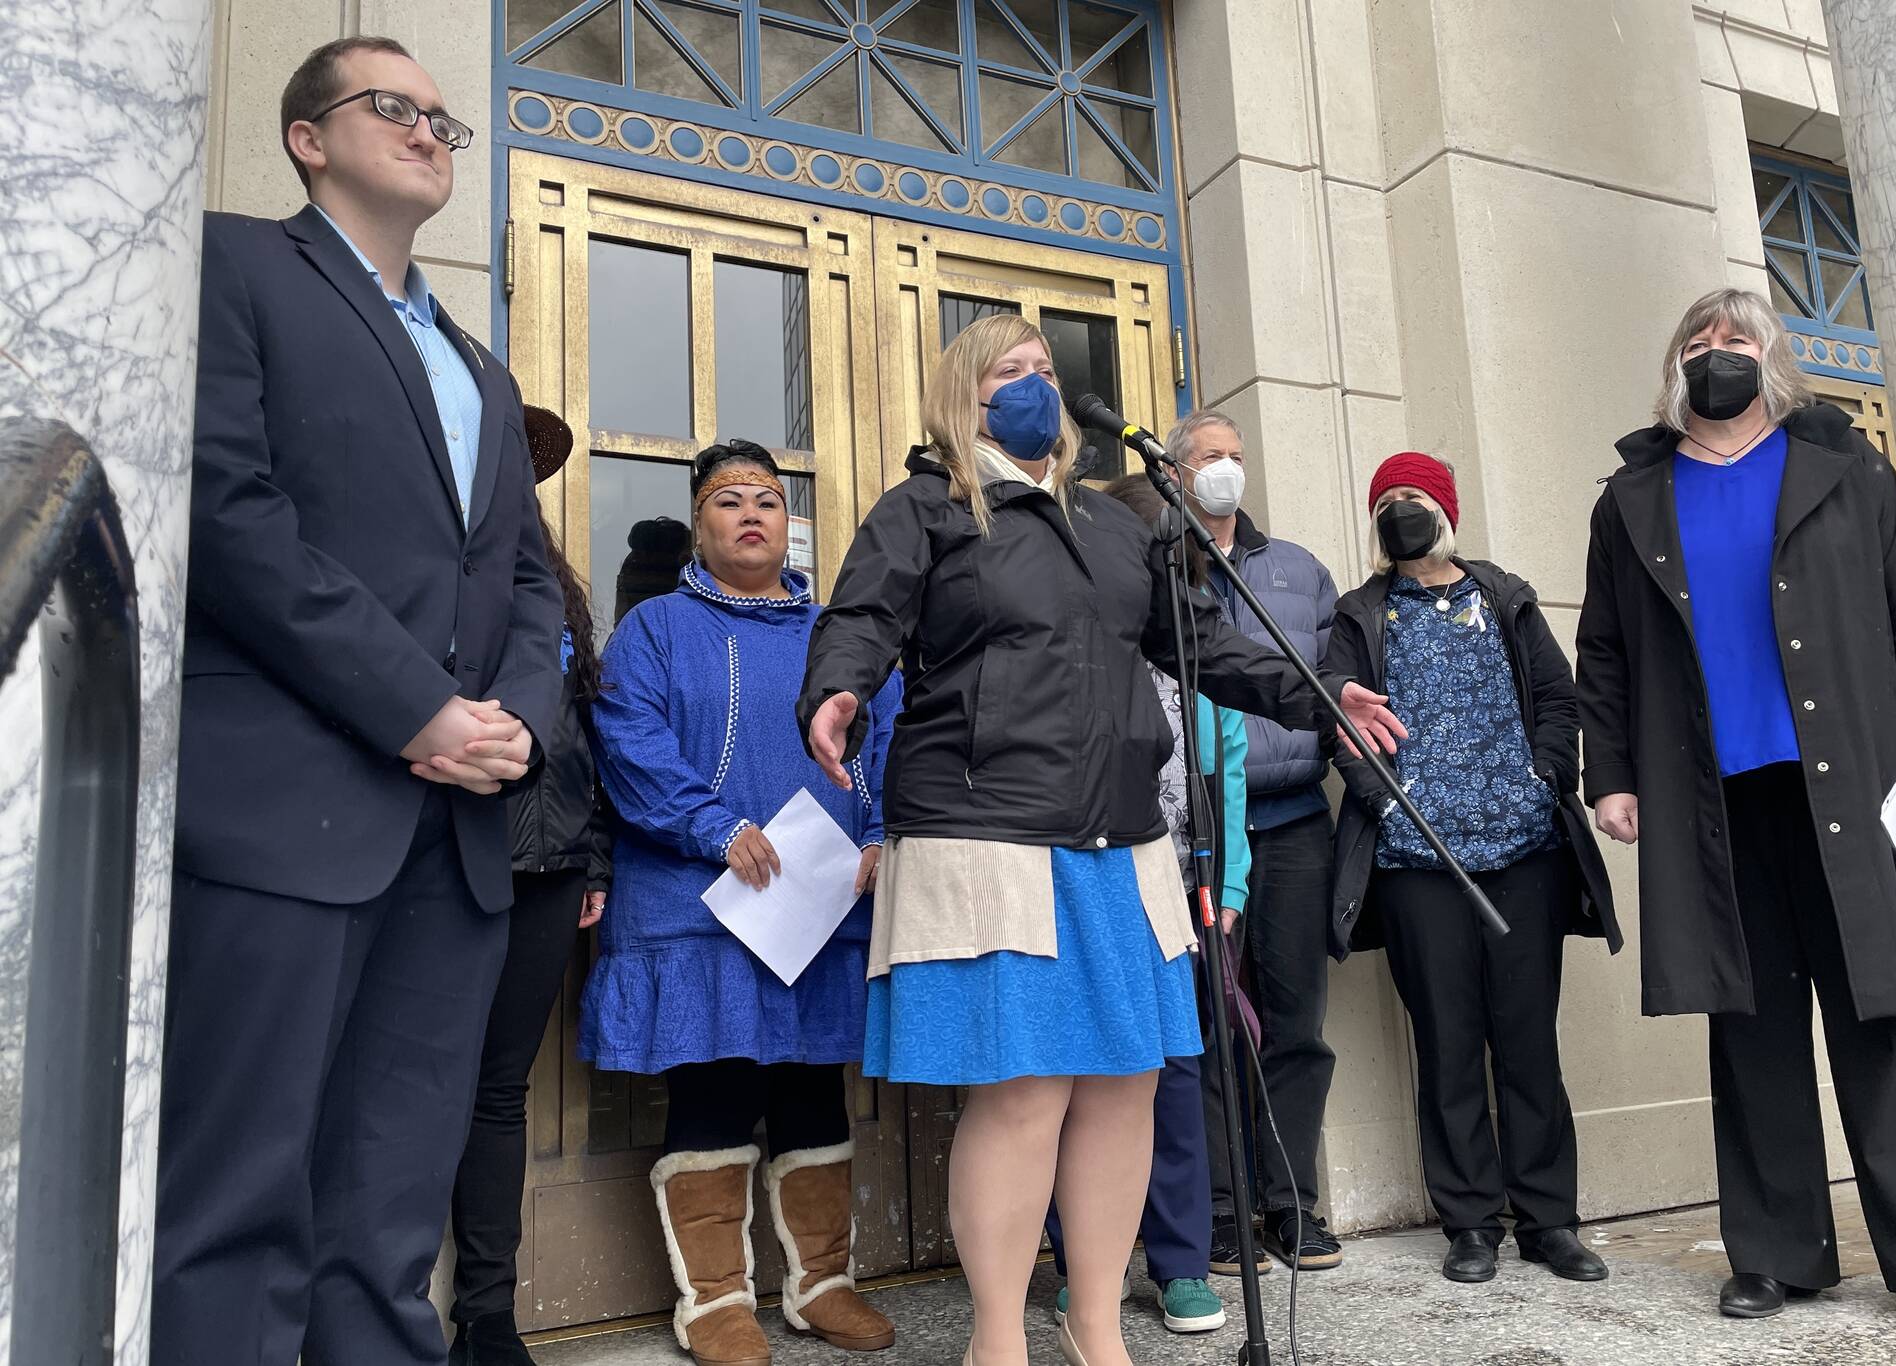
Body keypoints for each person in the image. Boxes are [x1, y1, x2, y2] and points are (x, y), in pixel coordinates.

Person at [798, 314, 1404, 1366]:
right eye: (1008, 372)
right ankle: (998, 1338)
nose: (1034, 384)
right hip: (986, 827)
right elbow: (861, 617)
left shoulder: (1121, 524)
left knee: (1125, 1081)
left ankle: (1092, 1325)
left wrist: (1320, 697)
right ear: (964, 396)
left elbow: (1204, 646)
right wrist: (836, 689)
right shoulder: (926, 509)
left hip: (1117, 834)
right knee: (1026, 1087)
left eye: (1044, 367)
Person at [156, 36, 562, 1366]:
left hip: (453, 847)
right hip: (287, 809)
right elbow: (228, 510)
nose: (430, 129)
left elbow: (524, 582)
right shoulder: (231, 267)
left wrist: (514, 721)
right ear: (307, 138)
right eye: (393, 106)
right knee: (238, 1194)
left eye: (445, 116)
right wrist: (413, 705)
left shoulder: (483, 374)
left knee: (388, 1212)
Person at [1577, 287, 1896, 1342]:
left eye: (1737, 339)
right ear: (1674, 367)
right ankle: (1774, 1253)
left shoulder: (1844, 469)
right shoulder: (1631, 496)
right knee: (1749, 1027)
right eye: (1699, 341)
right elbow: (1604, 655)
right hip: (1711, 803)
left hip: (1850, 789)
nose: (1717, 354)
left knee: (1881, 1024)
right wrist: (1609, 774)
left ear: (1773, 362)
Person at [586, 439, 903, 1366]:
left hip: (819, 899)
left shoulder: (840, 634)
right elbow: (627, 739)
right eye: (729, 501)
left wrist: (880, 827)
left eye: (769, 497)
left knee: (813, 1091)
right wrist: (713, 824)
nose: (752, 513)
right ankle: (714, 1302)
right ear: (699, 522)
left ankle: (822, 1287)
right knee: (714, 1091)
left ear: (789, 522)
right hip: (702, 901)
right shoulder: (653, 630)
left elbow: (884, 736)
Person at [1324, 452, 1621, 1287]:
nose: (1401, 511)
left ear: (1447, 509)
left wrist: (1548, 776)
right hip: (1420, 863)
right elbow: (1336, 718)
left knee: (1528, 1041)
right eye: (1386, 501)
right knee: (1449, 1044)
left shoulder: (1506, 597)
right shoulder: (1360, 613)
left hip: (1524, 852)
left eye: (1414, 498)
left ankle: (1549, 1220)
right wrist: (1385, 806)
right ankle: (1470, 1223)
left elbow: (1558, 698)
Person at [1041, 474, 1248, 1337]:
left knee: (1172, 1074)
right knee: (1067, 1072)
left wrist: (1225, 884)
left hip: (1171, 881)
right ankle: (1080, 1264)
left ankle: (1181, 1263)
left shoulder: (1192, 652)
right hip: (1075, 877)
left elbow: (1224, 774)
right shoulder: (1062, 642)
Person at [447, 407, 612, 1366]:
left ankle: (486, 1319)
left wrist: (591, 857)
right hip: (447, 859)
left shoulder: (554, 587)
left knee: (498, 1093)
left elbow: (575, 736)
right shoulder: (433, 562)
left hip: (548, 871)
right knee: (418, 1089)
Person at [1163, 409, 1345, 1274]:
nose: (1226, 470)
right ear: (1175, 471)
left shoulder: (1300, 571)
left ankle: (1293, 1204)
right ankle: (1226, 1209)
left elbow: (1335, 677)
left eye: (1237, 456)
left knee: (1296, 1022)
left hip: (1294, 820)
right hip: (1197, 831)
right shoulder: (1158, 566)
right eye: (1208, 458)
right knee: (1212, 1025)